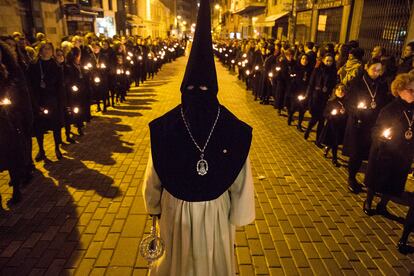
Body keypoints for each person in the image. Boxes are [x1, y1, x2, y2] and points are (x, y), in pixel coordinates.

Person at [142, 0, 255, 274]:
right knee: (210, 262)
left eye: (200, 88)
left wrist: (153, 206)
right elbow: (241, 181)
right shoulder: (231, 126)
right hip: (214, 211)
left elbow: (152, 178)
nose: (197, 93)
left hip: (176, 210)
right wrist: (239, 213)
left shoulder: (167, 125)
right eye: (195, 88)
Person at [362, 71, 414, 253]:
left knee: (394, 182)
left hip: (403, 153)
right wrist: (382, 137)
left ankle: (382, 204)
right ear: (400, 90)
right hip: (384, 152)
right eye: (411, 90)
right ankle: (368, 201)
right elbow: (376, 129)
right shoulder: (389, 109)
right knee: (376, 179)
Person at [342, 58, 390, 193]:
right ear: (366, 67)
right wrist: (357, 111)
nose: (377, 73)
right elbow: (348, 102)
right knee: (356, 153)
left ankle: (369, 180)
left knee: (371, 153)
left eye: (380, 70)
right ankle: (351, 178)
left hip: (373, 124)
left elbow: (384, 103)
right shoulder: (357, 83)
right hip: (358, 123)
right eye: (374, 69)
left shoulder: (381, 84)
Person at [0, 41, 33, 205]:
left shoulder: (12, 72)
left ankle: (16, 190)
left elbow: (21, 94)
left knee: (12, 156)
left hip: (8, 122)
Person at [27, 41, 64, 161]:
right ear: (40, 50)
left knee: (55, 125)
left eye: (49, 48)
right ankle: (41, 149)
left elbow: (60, 85)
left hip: (52, 99)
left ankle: (57, 147)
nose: (47, 51)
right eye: (44, 48)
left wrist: (61, 102)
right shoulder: (34, 65)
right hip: (39, 99)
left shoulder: (56, 65)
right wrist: (35, 102)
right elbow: (30, 84)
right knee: (39, 126)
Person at [304, 53, 337, 144]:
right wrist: (308, 95)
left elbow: (333, 84)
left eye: (330, 61)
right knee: (315, 118)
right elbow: (311, 83)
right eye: (327, 60)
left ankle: (318, 140)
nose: (328, 62)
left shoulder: (333, 71)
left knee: (322, 120)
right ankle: (308, 129)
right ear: (323, 60)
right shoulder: (317, 69)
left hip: (326, 98)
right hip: (316, 97)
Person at [318, 84, 347, 167]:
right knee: (334, 142)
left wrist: (344, 113)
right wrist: (332, 115)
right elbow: (325, 113)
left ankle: (327, 147)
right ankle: (334, 158)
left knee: (336, 142)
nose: (341, 92)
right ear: (335, 91)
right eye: (339, 90)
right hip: (332, 125)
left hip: (342, 125)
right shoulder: (331, 102)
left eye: (343, 90)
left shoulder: (346, 102)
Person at [287, 53, 313, 130]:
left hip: (304, 91)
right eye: (303, 59)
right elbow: (292, 79)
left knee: (302, 109)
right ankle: (290, 116)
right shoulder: (296, 68)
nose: (304, 61)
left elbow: (310, 81)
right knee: (294, 107)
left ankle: (299, 124)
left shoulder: (310, 69)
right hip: (296, 91)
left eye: (306, 59)